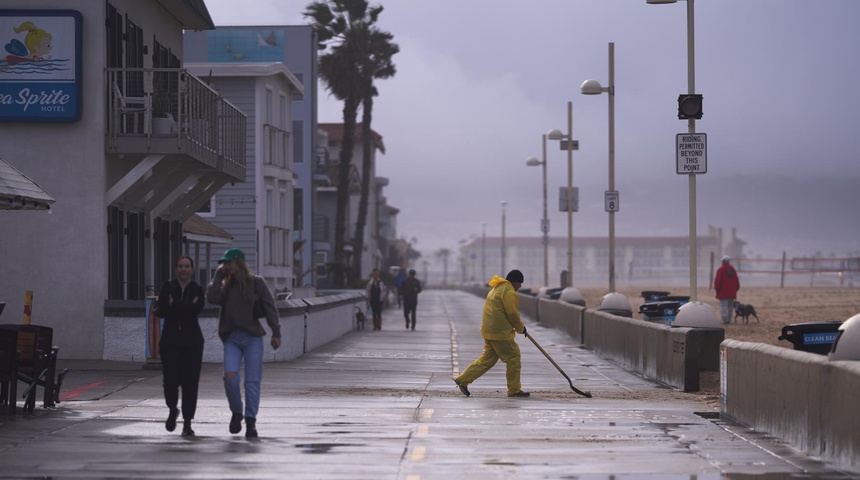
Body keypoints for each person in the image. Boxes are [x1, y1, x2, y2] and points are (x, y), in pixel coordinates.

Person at [206, 248, 281, 438]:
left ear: (237, 263)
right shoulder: (224, 285)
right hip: (231, 338)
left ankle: (250, 421)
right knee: (230, 377)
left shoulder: (256, 283)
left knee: (252, 381)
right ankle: (237, 412)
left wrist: (276, 332)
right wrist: (217, 276)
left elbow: (270, 308)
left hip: (252, 338)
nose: (225, 266)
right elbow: (211, 298)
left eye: (228, 263)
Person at [454, 269, 529, 398]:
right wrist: (521, 328)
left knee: (486, 360)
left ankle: (463, 379)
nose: (520, 286)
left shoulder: (497, 289)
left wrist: (519, 328)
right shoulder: (508, 291)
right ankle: (514, 389)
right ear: (515, 282)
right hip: (500, 333)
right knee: (513, 358)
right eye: (519, 283)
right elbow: (512, 313)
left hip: (490, 331)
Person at [157, 255, 205, 436]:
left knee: (190, 383)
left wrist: (174, 305)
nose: (183, 269)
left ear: (191, 269)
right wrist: (184, 306)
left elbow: (196, 309)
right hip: (170, 342)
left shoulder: (197, 289)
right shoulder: (167, 287)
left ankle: (187, 423)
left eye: (187, 266)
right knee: (170, 381)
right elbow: (163, 307)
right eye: (180, 266)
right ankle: (172, 408)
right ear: (175, 268)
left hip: (192, 342)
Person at [714, 255, 740, 324]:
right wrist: (735, 289)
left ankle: (725, 319)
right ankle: (729, 318)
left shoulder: (721, 270)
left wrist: (716, 288)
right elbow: (737, 281)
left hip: (723, 292)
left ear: (723, 261)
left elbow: (718, 281)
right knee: (730, 306)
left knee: (723, 306)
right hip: (732, 292)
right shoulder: (733, 270)